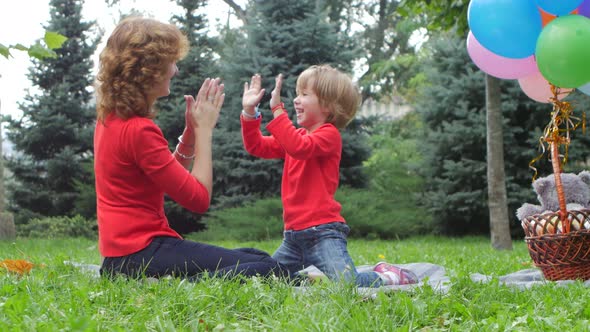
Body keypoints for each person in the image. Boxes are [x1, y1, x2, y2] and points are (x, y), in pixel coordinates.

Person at [94, 16, 289, 281]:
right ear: (150, 70)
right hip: (143, 254)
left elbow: (167, 181)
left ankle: (185, 281)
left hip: (122, 259)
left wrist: (189, 136)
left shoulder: (110, 119)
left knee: (256, 257)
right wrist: (205, 129)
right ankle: (187, 285)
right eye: (170, 62)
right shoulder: (140, 129)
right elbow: (198, 199)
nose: (175, 70)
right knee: (270, 268)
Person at [240, 65, 418, 287]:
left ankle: (386, 275)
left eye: (304, 94)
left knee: (348, 285)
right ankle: (311, 278)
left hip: (323, 234)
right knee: (270, 281)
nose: (296, 100)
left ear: (328, 106)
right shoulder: (296, 137)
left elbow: (300, 148)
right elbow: (256, 146)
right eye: (297, 93)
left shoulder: (328, 135)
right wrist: (249, 112)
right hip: (293, 239)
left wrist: (277, 110)